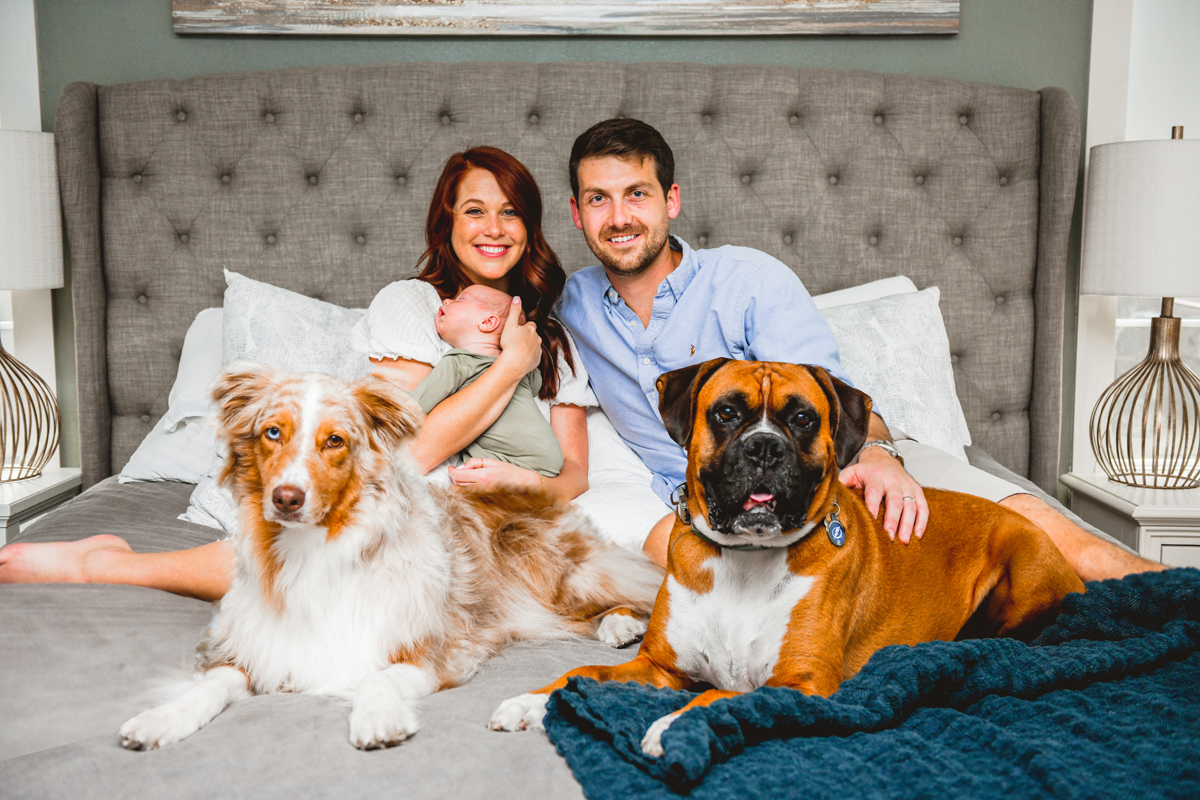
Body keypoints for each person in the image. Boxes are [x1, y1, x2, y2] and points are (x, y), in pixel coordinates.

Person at [556, 117, 1164, 581]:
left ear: (671, 200)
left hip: (843, 461)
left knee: (1046, 535)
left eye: (637, 194)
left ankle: (1169, 593)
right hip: (717, 509)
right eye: (598, 199)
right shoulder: (569, 307)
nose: (619, 217)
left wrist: (879, 456)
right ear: (578, 215)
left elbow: (831, 397)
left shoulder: (748, 281)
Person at [0, 146, 595, 599]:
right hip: (406, 499)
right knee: (319, 571)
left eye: (511, 212)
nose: (494, 228)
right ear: (447, 223)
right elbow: (411, 450)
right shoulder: (414, 305)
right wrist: (511, 365)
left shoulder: (555, 337)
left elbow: (573, 474)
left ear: (530, 227)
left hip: (500, 521)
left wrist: (521, 485)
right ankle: (106, 565)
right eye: (475, 211)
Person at [411, 284, 563, 478]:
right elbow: (536, 385)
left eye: (460, 299)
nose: (446, 301)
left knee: (469, 470)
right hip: (549, 459)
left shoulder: (458, 362)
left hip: (510, 457)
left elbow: (415, 407)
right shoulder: (523, 368)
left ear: (488, 322)